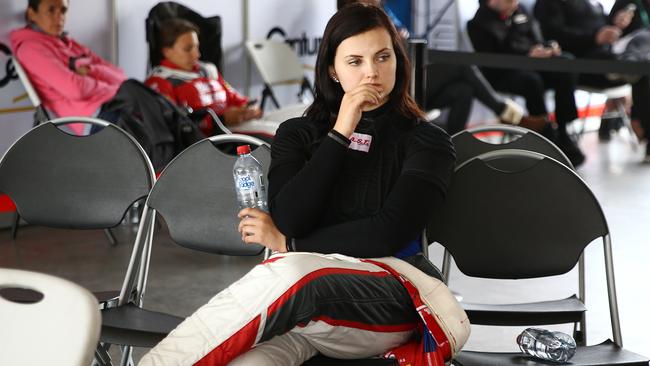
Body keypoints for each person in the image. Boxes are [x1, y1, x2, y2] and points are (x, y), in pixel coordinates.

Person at [139, 4, 469, 365]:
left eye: (383, 57)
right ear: (333, 70)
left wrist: (291, 243)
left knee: (295, 270)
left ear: (398, 61)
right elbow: (292, 217)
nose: (372, 73)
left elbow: (386, 234)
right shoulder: (297, 134)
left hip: (394, 294)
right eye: (355, 61)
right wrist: (341, 131)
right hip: (306, 310)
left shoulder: (428, 141)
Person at [338, 0, 542, 135]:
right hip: (393, 84)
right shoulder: (354, 16)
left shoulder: (383, 10)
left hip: (407, 74)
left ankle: (452, 145)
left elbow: (401, 36)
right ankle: (507, 113)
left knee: (464, 90)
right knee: (460, 67)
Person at [468, 0, 586, 167]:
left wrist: (547, 47)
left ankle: (563, 127)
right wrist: (526, 54)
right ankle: (545, 134)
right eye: (509, 1)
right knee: (532, 81)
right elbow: (493, 61)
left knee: (565, 63)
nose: (514, 4)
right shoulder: (478, 24)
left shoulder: (520, 11)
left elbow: (536, 38)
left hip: (534, 64)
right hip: (504, 74)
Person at [535, 0, 650, 159]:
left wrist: (615, 25)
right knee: (636, 65)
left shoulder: (591, 4)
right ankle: (625, 64)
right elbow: (553, 36)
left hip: (608, 57)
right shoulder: (549, 4)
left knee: (642, 67)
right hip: (583, 65)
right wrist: (594, 38)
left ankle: (647, 134)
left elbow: (603, 27)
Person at [10, 0, 126, 135]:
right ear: (31, 13)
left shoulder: (68, 42)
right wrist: (108, 86)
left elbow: (120, 76)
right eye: (51, 10)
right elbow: (76, 90)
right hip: (97, 117)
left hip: (115, 102)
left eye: (63, 10)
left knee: (151, 106)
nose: (59, 16)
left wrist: (91, 70)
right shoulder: (30, 49)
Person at [145, 18, 262, 136]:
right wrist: (221, 120)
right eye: (188, 49)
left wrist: (250, 108)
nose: (197, 54)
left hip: (239, 128)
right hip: (209, 141)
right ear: (167, 52)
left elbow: (237, 99)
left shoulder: (208, 69)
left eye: (197, 46)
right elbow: (172, 127)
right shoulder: (160, 81)